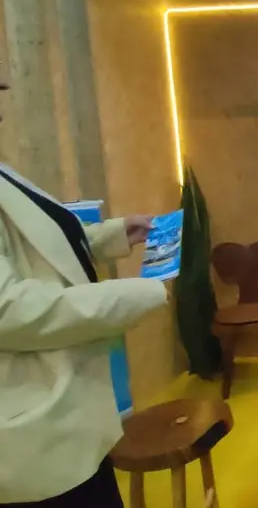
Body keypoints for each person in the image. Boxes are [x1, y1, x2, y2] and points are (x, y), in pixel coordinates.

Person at [0, 85, 169, 506]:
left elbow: (38, 248)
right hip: (33, 435)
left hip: (72, 423)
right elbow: (9, 309)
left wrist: (111, 235)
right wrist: (133, 294)